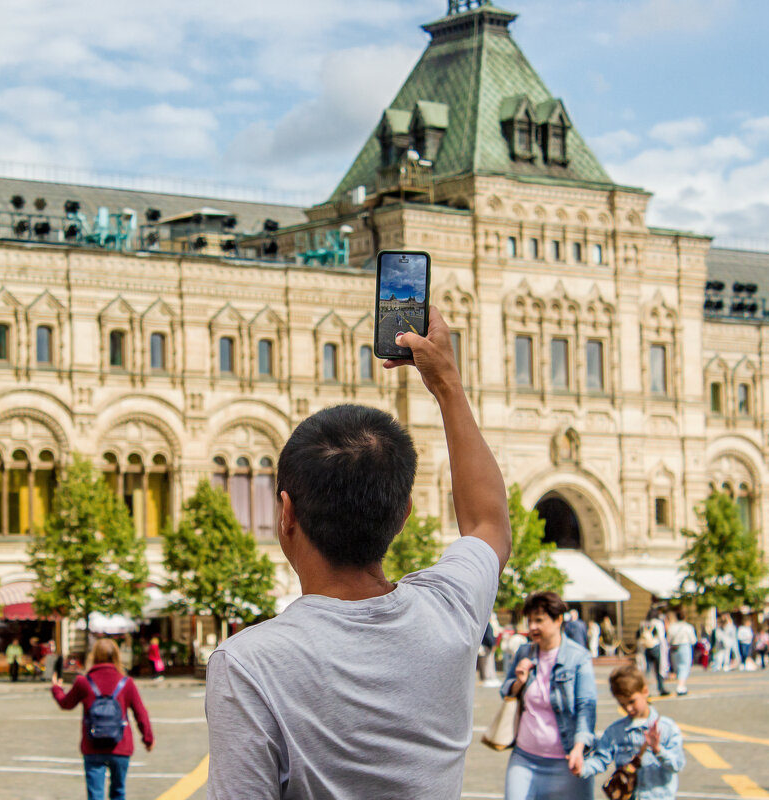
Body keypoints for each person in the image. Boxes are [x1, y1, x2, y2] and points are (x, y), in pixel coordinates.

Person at [205, 314, 512, 799]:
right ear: (404, 515)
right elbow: (488, 524)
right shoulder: (450, 611)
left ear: (286, 513)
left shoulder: (247, 663)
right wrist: (447, 384)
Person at [501, 592, 597, 800]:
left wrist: (579, 747)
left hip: (567, 759)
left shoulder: (578, 657)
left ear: (558, 619)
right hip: (524, 758)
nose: (532, 627)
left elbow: (586, 706)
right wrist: (519, 681)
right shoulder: (524, 652)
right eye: (529, 621)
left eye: (539, 620)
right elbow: (505, 692)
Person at [52, 638, 155, 800]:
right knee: (118, 792)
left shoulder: (83, 682)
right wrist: (148, 739)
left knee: (95, 794)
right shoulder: (126, 682)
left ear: (94, 656)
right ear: (116, 656)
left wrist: (57, 689)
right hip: (120, 745)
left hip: (93, 744)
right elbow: (141, 713)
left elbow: (66, 704)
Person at [579, 664, 685, 798]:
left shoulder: (666, 728)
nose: (628, 708)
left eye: (632, 701)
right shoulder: (615, 732)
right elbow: (601, 758)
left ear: (645, 691)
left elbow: (677, 765)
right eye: (622, 704)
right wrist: (582, 768)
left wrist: (658, 750)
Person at [665, 608, 697, 696]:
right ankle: (681, 686)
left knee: (678, 667)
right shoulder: (688, 627)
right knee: (684, 666)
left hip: (674, 648)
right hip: (685, 646)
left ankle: (681, 685)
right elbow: (693, 640)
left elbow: (668, 639)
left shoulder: (672, 627)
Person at [637, 612, 670, 695]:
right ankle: (661, 687)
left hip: (646, 648)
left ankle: (646, 689)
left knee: (647, 670)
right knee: (659, 668)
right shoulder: (658, 623)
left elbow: (639, 636)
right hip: (656, 647)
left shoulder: (643, 623)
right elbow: (661, 637)